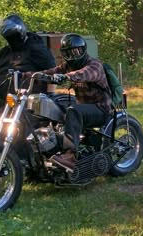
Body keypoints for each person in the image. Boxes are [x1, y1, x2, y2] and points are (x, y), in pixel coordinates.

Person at [29, 33, 113, 172]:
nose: (73, 55)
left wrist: (65, 77)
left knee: (73, 110)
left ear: (83, 50)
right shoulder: (67, 66)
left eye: (76, 51)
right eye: (68, 53)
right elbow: (50, 72)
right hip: (84, 106)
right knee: (53, 107)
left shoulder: (94, 65)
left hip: (101, 108)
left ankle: (70, 156)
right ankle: (50, 148)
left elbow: (84, 74)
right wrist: (28, 75)